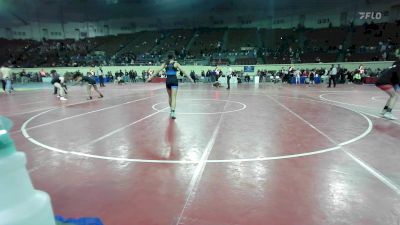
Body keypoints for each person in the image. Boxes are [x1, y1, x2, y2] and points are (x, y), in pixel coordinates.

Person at [146, 53, 194, 119]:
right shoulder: (176, 64)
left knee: (170, 97)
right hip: (174, 80)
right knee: (174, 97)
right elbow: (184, 71)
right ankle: (173, 112)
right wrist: (191, 79)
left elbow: (156, 71)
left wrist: (150, 78)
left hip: (168, 81)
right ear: (174, 57)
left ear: (168, 57)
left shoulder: (165, 64)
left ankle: (171, 109)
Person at [375, 49, 400, 120]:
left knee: (392, 95)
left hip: (381, 80)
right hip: (385, 81)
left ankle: (384, 111)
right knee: (395, 96)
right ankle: (388, 113)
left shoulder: (396, 63)